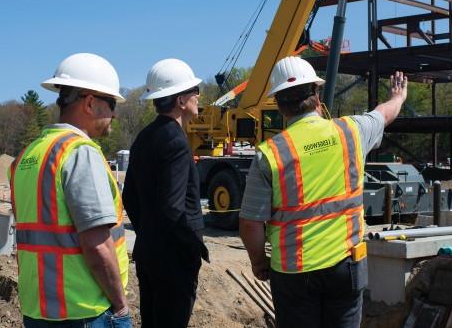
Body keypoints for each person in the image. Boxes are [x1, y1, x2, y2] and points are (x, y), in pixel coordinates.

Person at [239, 56, 408, 328]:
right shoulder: (351, 131)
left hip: (293, 273)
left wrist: (259, 263)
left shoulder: (270, 154)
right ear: (317, 97)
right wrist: (398, 97)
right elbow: (384, 114)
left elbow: (250, 224)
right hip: (346, 265)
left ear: (280, 105)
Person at [10, 53, 131, 327]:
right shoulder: (79, 153)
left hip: (38, 310)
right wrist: (121, 307)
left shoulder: (28, 156)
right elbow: (97, 243)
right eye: (111, 104)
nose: (114, 114)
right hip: (86, 311)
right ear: (89, 102)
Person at [122, 58, 209, 328]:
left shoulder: (145, 137)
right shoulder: (176, 141)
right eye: (194, 91)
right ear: (181, 100)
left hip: (149, 253)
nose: (198, 96)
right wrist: (194, 246)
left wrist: (147, 232)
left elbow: (129, 197)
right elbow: (173, 208)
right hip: (173, 260)